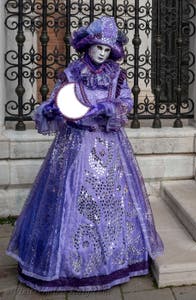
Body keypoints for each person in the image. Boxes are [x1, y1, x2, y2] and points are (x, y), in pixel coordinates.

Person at [6, 16, 164, 292]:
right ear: (88, 46)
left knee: (110, 200)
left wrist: (110, 109)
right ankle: (63, 265)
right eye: (98, 47)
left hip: (109, 145)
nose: (102, 53)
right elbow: (58, 100)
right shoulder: (72, 72)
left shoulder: (116, 74)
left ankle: (114, 262)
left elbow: (126, 102)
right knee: (71, 198)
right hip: (75, 144)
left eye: (107, 49)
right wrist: (50, 110)